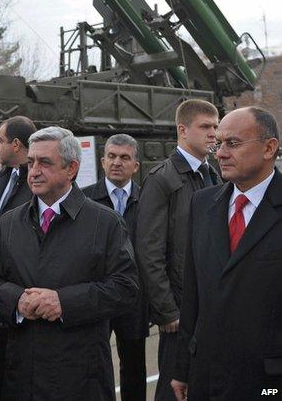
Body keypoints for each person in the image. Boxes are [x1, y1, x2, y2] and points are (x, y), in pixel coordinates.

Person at [0, 126, 139, 401]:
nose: (34, 171)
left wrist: (64, 302)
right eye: (31, 162)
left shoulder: (105, 222)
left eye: (45, 162)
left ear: (71, 169)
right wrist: (17, 301)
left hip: (81, 377)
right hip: (22, 377)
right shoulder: (9, 224)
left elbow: (125, 288)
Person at [171, 107, 282, 400]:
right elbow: (192, 295)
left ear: (269, 147)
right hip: (207, 375)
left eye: (232, 143)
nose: (219, 153)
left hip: (268, 381)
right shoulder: (202, 204)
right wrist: (183, 367)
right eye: (218, 143)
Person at [136, 98, 219, 401]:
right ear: (183, 130)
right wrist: (167, 310)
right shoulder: (163, 179)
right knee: (173, 389)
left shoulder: (214, 175)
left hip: (208, 304)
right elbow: (148, 251)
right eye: (206, 126)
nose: (214, 133)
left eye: (216, 126)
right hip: (179, 312)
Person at [83, 133, 148, 401]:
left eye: (124, 157)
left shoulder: (148, 201)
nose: (117, 163)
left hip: (134, 297)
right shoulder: (84, 200)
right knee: (93, 366)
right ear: (102, 161)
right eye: (111, 156)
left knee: (133, 366)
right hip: (98, 295)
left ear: (136, 165)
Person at [0, 115, 36, 400]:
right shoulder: (2, 178)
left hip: (22, 292)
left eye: (0, 140)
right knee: (3, 370)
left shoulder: (35, 183)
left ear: (15, 144)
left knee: (23, 372)